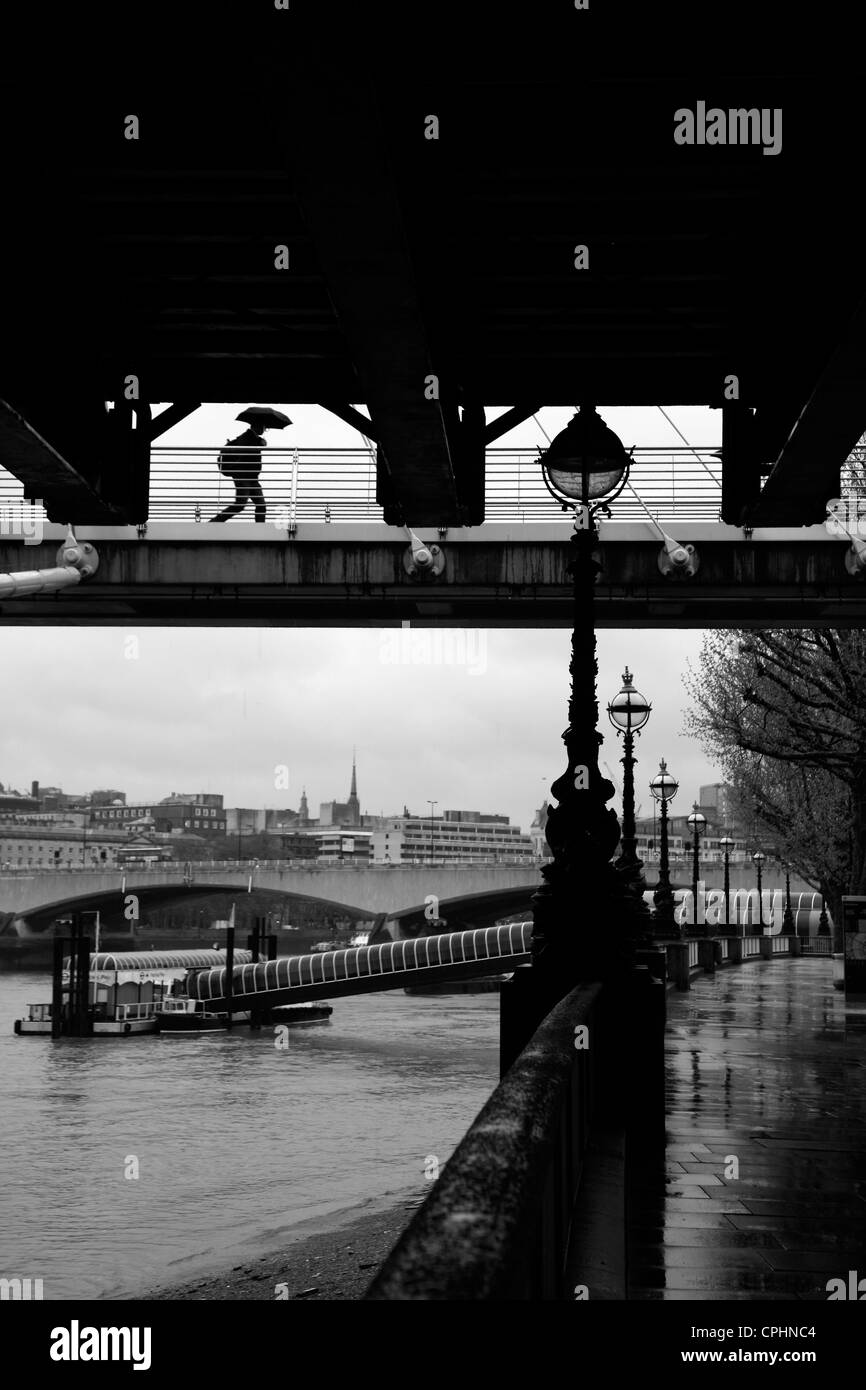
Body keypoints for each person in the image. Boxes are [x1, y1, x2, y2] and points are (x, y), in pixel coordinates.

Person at [210, 425, 269, 522]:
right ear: (256, 425)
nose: (265, 430)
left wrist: (259, 443)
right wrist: (259, 444)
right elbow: (244, 451)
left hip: (252, 478)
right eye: (264, 427)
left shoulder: (253, 438)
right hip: (243, 476)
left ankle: (259, 530)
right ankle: (214, 522)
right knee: (240, 504)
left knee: (261, 506)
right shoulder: (246, 436)